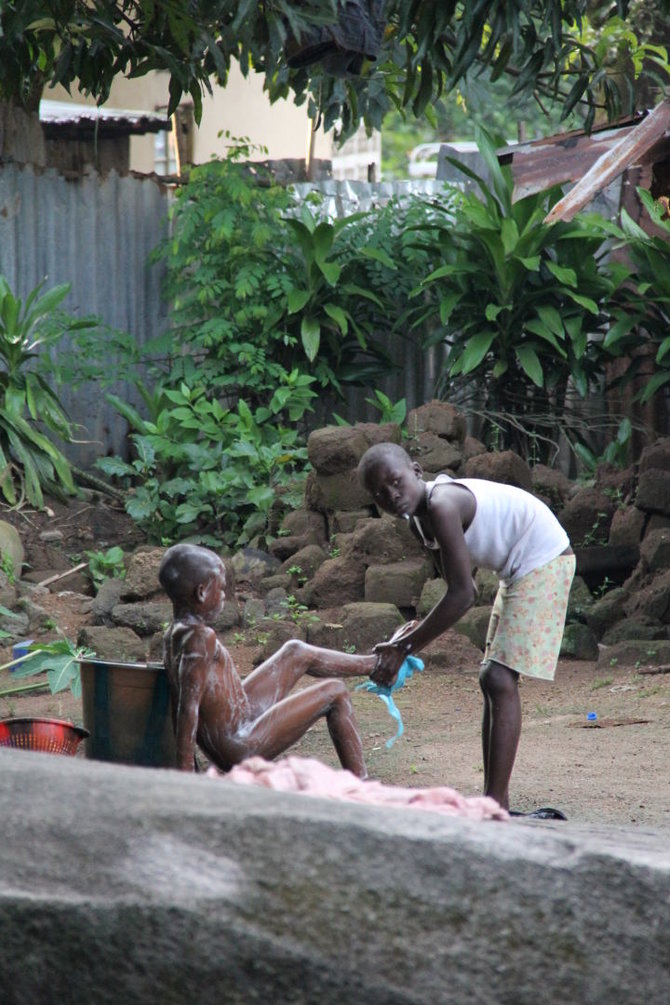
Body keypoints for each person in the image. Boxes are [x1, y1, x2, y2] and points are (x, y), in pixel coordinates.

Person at [357, 442, 576, 818]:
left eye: (396, 482)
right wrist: (404, 637)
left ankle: (494, 808)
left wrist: (405, 649)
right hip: (517, 568)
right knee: (492, 679)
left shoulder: (442, 505)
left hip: (544, 558)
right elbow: (454, 586)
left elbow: (464, 595)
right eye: (380, 494)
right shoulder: (418, 521)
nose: (392, 495)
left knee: (498, 678)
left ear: (416, 470)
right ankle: (495, 804)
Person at [159, 542, 376, 777]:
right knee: (336, 693)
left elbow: (178, 699)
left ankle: (375, 664)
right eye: (220, 589)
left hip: (238, 719)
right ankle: (361, 786)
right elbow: (187, 708)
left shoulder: (174, 633)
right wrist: (185, 774)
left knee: (296, 651)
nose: (223, 597)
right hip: (240, 745)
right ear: (201, 592)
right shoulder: (200, 639)